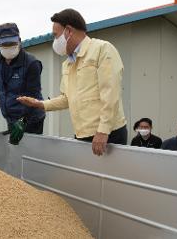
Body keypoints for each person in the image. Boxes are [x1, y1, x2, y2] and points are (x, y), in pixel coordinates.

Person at [17, 8, 127, 156]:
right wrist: (40, 104)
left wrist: (103, 130)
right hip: (83, 134)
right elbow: (67, 98)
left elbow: (110, 93)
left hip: (108, 134)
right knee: (87, 178)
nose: (55, 41)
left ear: (68, 31)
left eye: (56, 36)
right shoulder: (68, 64)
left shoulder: (102, 49)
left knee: (110, 178)